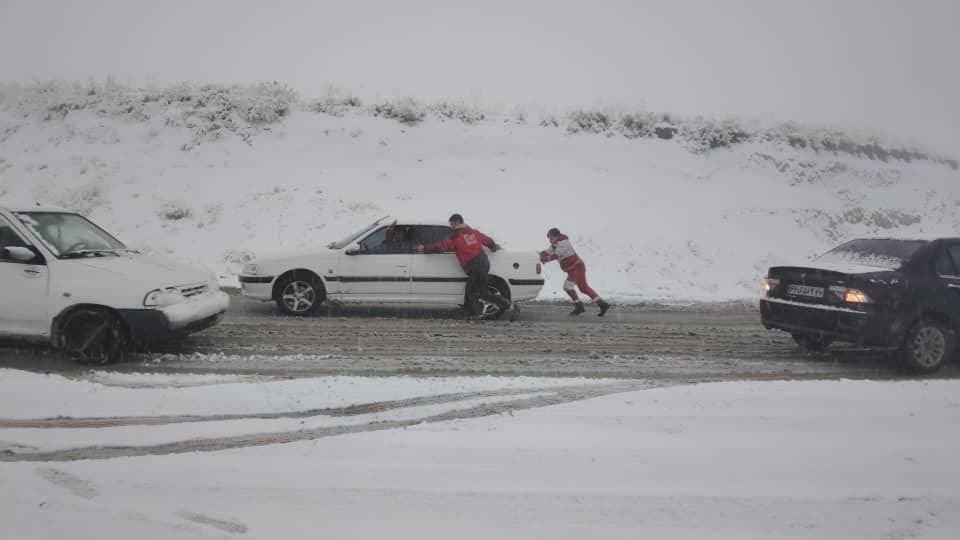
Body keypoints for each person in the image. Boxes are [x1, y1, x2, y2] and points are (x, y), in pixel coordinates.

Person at [416, 214, 517, 320]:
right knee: (479, 292)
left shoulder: (456, 236)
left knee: (473, 292)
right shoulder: (473, 232)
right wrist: (493, 247)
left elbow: (441, 246)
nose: (451, 226)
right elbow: (487, 240)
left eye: (451, 224)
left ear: (456, 222)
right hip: (483, 263)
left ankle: (480, 313)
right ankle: (504, 307)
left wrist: (425, 249)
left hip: (475, 265)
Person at [540, 228, 611, 316]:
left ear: (556, 236)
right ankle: (602, 304)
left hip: (576, 268)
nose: (549, 240)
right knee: (584, 288)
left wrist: (545, 259)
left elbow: (556, 255)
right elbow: (548, 251)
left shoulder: (563, 243)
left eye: (550, 238)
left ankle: (579, 307)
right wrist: (539, 255)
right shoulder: (556, 244)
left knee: (567, 287)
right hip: (576, 268)